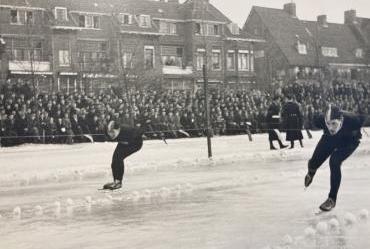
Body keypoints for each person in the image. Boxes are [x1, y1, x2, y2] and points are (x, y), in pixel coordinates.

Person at [304, 104, 367, 211]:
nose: (331, 127)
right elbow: (310, 123)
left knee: (334, 161)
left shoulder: (353, 119)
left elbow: (365, 118)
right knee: (313, 162)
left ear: (341, 119)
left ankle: (332, 199)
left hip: (349, 141)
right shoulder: (320, 120)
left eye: (334, 123)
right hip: (330, 138)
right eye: (328, 124)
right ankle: (311, 172)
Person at [103, 121, 143, 190]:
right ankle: (116, 181)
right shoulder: (111, 132)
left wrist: (133, 138)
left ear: (117, 130)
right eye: (110, 132)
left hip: (135, 144)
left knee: (119, 158)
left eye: (112, 132)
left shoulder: (126, 129)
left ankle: (118, 182)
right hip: (124, 142)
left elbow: (140, 131)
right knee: (115, 159)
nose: (111, 135)